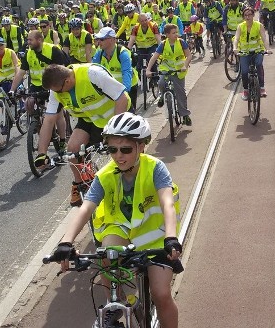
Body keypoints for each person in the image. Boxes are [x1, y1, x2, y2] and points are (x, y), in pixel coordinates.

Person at [52, 113, 182, 328]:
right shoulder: (105, 175)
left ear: (141, 147)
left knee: (160, 294)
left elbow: (167, 203)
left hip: (157, 239)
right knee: (107, 252)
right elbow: (85, 208)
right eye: (112, 149)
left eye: (126, 150)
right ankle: (115, 303)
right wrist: (66, 242)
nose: (118, 156)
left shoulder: (156, 168)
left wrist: (171, 237)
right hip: (121, 232)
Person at [38, 64, 130, 206]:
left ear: (67, 81)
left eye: (59, 90)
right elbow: (49, 120)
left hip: (116, 115)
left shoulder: (93, 74)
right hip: (90, 118)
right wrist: (41, 154)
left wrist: (114, 131)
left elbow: (122, 98)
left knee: (122, 155)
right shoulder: (56, 90)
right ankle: (79, 183)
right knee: (72, 149)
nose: (58, 94)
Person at [145, 24, 192, 126]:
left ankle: (185, 115)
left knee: (181, 93)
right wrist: (148, 70)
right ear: (167, 35)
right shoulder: (163, 44)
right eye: (174, 33)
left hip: (179, 70)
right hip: (166, 68)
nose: (176, 34)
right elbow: (154, 58)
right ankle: (161, 95)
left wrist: (185, 65)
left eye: (177, 32)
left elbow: (188, 55)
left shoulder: (181, 42)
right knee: (161, 82)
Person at [91, 27, 139, 112]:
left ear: (112, 40)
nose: (99, 42)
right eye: (98, 39)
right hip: (111, 87)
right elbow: (92, 69)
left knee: (128, 115)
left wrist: (124, 93)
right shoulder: (99, 52)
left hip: (128, 86)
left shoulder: (122, 53)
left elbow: (126, 73)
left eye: (102, 39)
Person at [234, 7, 271, 100]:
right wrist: (235, 48)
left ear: (253, 15)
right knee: (245, 71)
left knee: (259, 65)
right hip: (244, 53)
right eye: (245, 15)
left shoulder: (259, 25)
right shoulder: (240, 26)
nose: (247, 17)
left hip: (257, 51)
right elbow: (236, 39)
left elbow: (264, 38)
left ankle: (262, 88)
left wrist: (267, 49)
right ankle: (246, 90)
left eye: (249, 15)